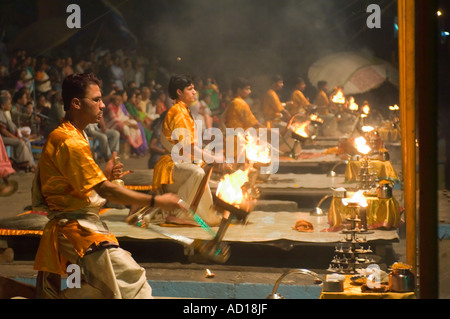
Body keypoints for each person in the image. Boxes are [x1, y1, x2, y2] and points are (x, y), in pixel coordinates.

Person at [32, 73, 181, 299]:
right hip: (76, 230)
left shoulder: (74, 134)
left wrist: (104, 175)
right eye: (96, 99)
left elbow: (76, 185)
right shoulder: (69, 140)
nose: (103, 105)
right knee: (131, 278)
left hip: (79, 225)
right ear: (76, 103)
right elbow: (105, 191)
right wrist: (157, 201)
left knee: (95, 288)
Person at [152, 74, 223, 227]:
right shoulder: (178, 111)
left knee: (203, 166)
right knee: (198, 171)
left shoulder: (183, 111)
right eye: (190, 89)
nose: (194, 92)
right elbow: (187, 147)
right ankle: (178, 213)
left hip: (179, 163)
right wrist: (213, 158)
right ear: (179, 92)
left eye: (194, 88)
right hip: (171, 167)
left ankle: (198, 212)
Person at [0, 94, 35, 172]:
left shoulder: (4, 113)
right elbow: (4, 132)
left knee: (25, 141)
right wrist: (16, 138)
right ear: (2, 105)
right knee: (20, 142)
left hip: (6, 136)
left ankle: (30, 164)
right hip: (2, 138)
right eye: (8, 104)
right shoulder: (0, 113)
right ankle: (22, 164)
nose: (10, 105)